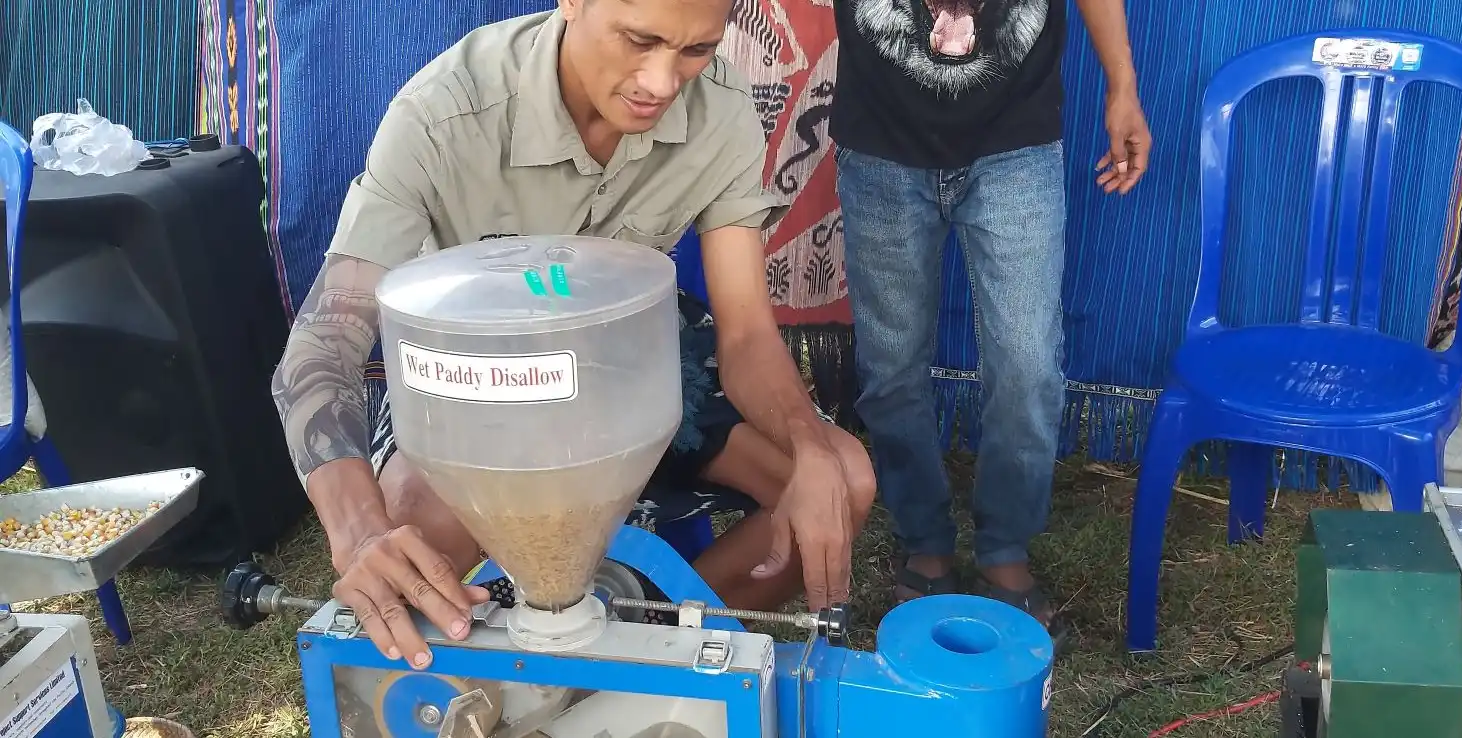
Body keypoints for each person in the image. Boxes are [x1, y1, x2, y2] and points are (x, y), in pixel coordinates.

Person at [270, 0, 876, 671]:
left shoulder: (722, 111)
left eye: (696, 50)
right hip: (479, 371)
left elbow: (748, 337)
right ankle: (477, 686)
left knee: (840, 478)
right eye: (640, 39)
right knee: (413, 551)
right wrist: (359, 534)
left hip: (635, 352)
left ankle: (647, 648)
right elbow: (322, 349)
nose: (663, 82)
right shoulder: (444, 115)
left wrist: (808, 444)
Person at [830, 0, 1152, 638]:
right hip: (880, 142)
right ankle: (923, 540)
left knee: (1028, 364)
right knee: (891, 366)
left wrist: (1123, 86)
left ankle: (1005, 549)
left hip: (1017, 141)